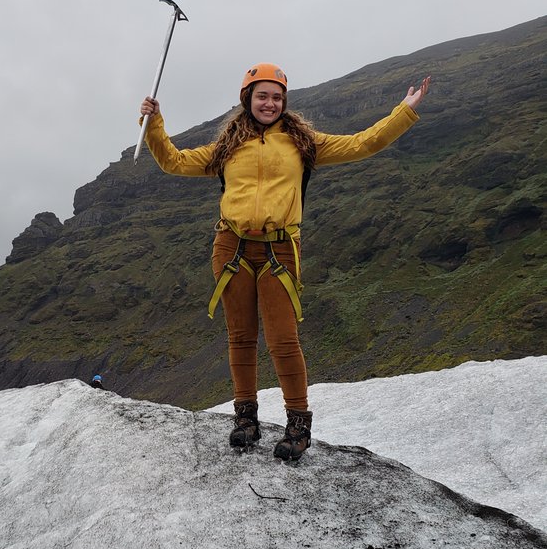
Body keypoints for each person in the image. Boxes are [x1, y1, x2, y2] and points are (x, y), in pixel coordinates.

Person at [138, 63, 430, 461]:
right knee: (240, 337)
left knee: (282, 339)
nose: (270, 103)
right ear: (248, 99)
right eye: (262, 96)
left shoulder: (303, 143)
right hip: (231, 246)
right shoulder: (226, 147)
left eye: (277, 97)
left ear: (284, 102)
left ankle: (298, 425)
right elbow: (172, 161)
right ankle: (245, 419)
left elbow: (364, 144)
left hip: (279, 249)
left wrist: (405, 110)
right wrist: (154, 124)